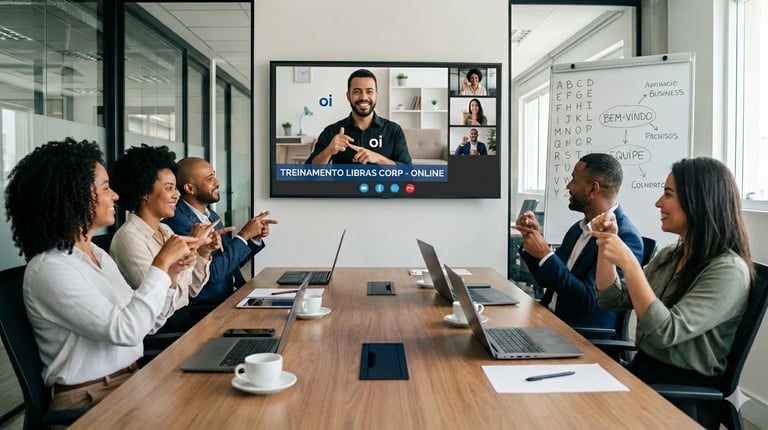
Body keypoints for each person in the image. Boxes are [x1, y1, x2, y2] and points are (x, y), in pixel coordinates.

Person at [4, 137, 196, 412]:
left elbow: (147, 324)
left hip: (130, 382)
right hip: (89, 399)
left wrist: (170, 274)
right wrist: (161, 264)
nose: (115, 196)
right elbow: (126, 330)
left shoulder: (97, 255)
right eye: (105, 188)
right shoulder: (50, 269)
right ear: (75, 195)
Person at [591, 157, 753, 428]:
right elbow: (611, 299)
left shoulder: (729, 271)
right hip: (645, 377)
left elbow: (665, 332)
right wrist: (605, 246)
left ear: (698, 201)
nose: (658, 203)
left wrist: (630, 264)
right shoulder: (671, 255)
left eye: (667, 194)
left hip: (680, 398)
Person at [514, 153, 643, 333]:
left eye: (574, 180)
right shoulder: (579, 228)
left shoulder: (625, 237)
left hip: (579, 337)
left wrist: (545, 254)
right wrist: (532, 240)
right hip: (548, 322)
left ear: (593, 189)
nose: (568, 186)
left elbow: (589, 301)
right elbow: (547, 280)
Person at [110, 145, 221, 331]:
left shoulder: (166, 230)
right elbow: (161, 304)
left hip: (183, 321)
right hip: (163, 330)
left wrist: (203, 252)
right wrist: (191, 250)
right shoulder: (128, 239)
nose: (177, 195)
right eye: (169, 188)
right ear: (144, 192)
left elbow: (191, 290)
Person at [162, 157, 277, 314]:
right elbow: (212, 274)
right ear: (190, 188)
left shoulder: (211, 216)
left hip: (233, 296)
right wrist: (243, 235)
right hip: (207, 309)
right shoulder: (177, 222)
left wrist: (253, 238)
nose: (217, 182)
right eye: (210, 179)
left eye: (214, 176)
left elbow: (230, 262)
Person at [305, 68, 412, 165]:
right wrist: (328, 151)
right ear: (348, 96)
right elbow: (308, 175)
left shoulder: (393, 130)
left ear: (376, 95)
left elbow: (408, 174)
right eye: (357, 91)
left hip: (382, 187)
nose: (363, 97)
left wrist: (379, 159)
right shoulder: (332, 131)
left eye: (369, 91)